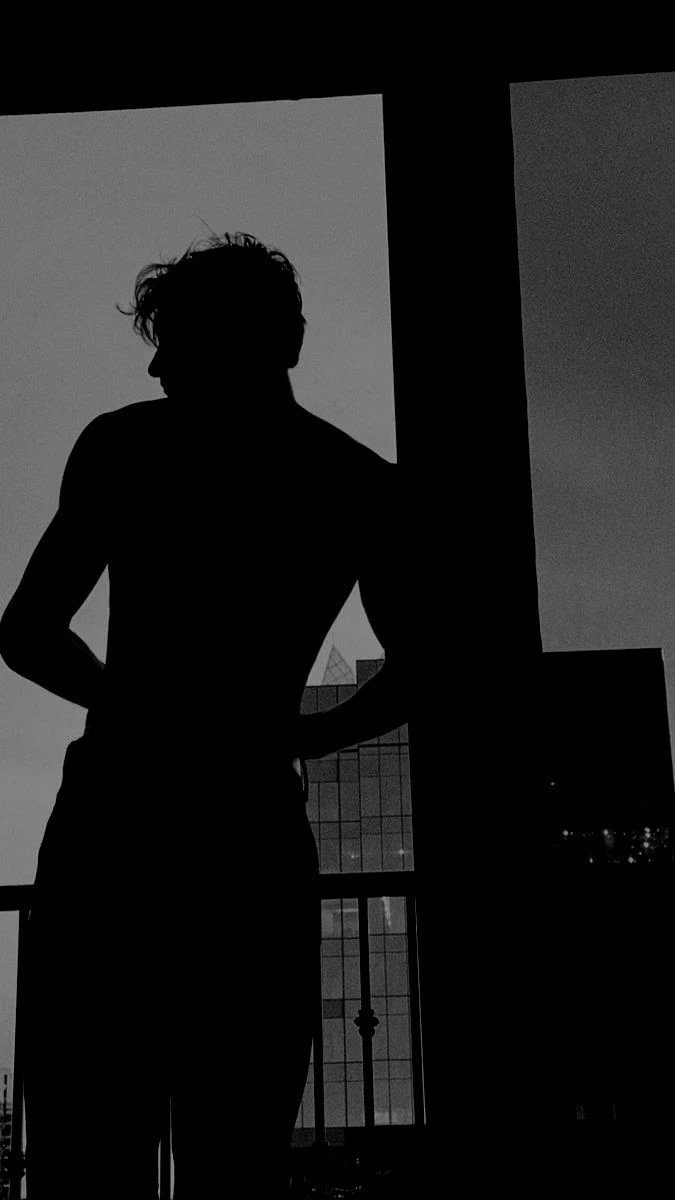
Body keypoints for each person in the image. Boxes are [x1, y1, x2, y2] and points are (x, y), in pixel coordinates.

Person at [0, 230, 410, 1197]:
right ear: (290, 340)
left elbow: (26, 632)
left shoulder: (124, 447)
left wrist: (135, 704)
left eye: (174, 344)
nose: (157, 367)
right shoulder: (358, 484)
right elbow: (424, 669)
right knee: (236, 1146)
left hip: (116, 821)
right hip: (248, 829)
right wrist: (301, 736)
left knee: (86, 1147)